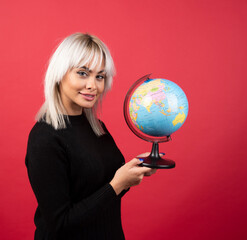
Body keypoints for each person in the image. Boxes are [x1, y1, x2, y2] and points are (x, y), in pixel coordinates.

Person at [25, 33, 157, 240]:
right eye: (83, 73)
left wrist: (131, 173)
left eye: (100, 76)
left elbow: (102, 192)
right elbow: (60, 224)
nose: (93, 86)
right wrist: (118, 184)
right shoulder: (45, 139)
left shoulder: (96, 127)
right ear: (59, 74)